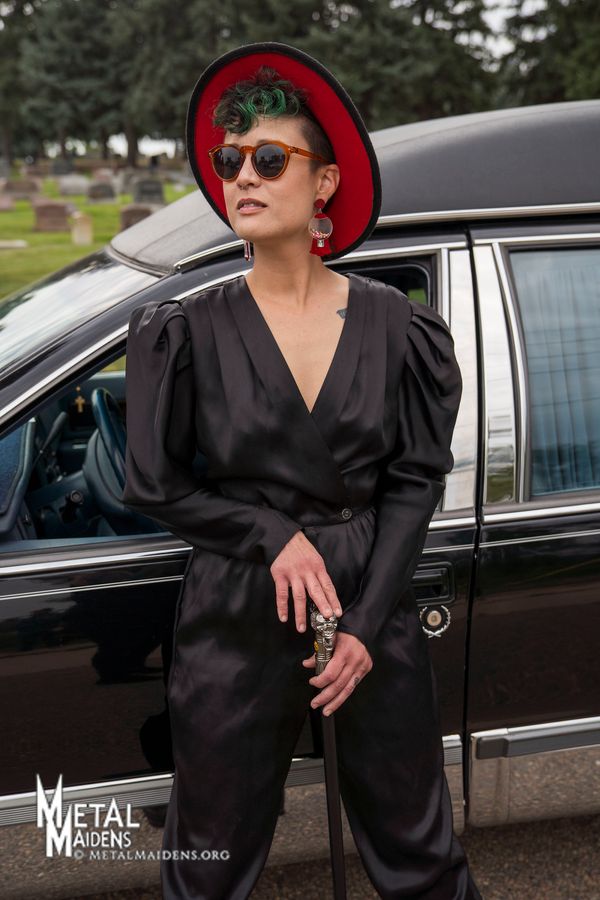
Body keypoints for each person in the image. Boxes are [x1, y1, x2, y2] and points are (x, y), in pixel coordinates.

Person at [122, 41, 483, 900]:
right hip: (237, 605)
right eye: (229, 162)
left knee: (420, 855)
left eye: (269, 160)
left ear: (324, 182)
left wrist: (364, 625)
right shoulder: (185, 333)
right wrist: (267, 533)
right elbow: (155, 484)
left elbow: (414, 483)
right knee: (207, 862)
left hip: (370, 598)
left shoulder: (399, 329)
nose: (243, 177)